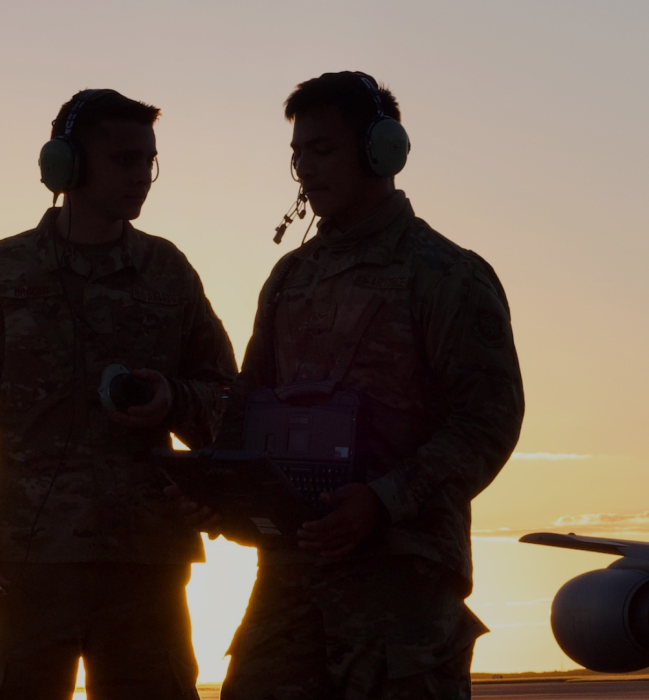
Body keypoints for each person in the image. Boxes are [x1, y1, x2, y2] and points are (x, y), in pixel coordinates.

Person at [211, 72, 525, 699]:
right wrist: (221, 487)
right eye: (297, 152)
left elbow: (488, 422)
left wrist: (382, 499)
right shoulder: (290, 279)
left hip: (400, 594)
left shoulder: (446, 275)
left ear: (382, 149)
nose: (304, 168)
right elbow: (250, 404)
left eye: (322, 149)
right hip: (291, 582)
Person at [0, 88, 237, 700]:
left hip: (146, 575)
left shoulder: (168, 274)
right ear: (66, 165)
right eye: (124, 160)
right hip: (22, 575)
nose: (142, 177)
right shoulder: (1, 276)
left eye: (149, 161)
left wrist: (174, 399)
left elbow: (231, 408)